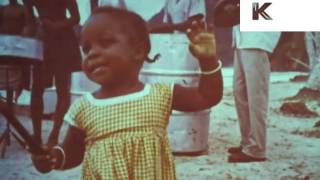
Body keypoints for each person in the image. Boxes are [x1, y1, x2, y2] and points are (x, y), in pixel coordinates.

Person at [31, 7, 223, 179]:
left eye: (105, 42)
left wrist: (208, 61)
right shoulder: (84, 107)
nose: (92, 53)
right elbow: (72, 154)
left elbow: (207, 97)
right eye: (86, 48)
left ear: (138, 51)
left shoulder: (159, 94)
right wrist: (54, 158)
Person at [23, 0, 82, 146]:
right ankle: (37, 137)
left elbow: (76, 17)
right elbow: (29, 21)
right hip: (43, 41)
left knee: (63, 90)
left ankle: (54, 135)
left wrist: (56, 26)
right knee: (37, 89)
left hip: (63, 42)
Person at [228, 25, 281, 163]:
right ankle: (247, 143)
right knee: (239, 92)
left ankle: (257, 148)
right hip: (241, 39)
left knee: (256, 97)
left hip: (258, 39)